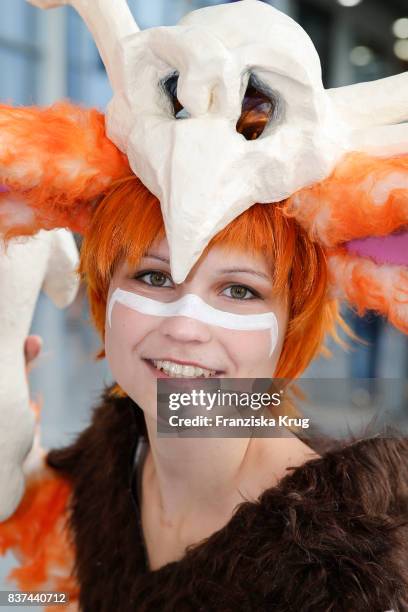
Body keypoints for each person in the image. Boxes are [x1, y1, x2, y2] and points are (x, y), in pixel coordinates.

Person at [0, 1, 407, 611]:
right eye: (154, 277)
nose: (185, 326)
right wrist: (15, 440)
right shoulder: (117, 452)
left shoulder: (349, 568)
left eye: (238, 290)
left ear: (291, 317)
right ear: (104, 289)